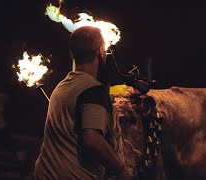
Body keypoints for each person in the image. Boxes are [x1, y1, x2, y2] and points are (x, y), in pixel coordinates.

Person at [34, 26, 133, 180]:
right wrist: (121, 169)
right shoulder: (93, 90)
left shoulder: (61, 87)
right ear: (101, 52)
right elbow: (91, 139)